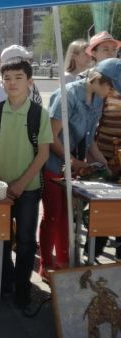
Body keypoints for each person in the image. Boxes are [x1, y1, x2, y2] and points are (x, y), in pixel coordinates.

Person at [0, 58, 52, 309]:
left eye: (18, 78)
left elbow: (43, 153)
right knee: (0, 239)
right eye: (7, 78)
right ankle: (5, 282)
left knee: (25, 241)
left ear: (30, 82)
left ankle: (23, 288)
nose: (12, 83)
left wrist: (21, 183)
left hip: (28, 190)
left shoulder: (38, 114)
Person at [39, 59, 119, 280]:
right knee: (53, 215)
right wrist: (73, 160)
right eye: (111, 87)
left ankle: (64, 261)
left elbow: (90, 140)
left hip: (74, 167)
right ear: (99, 80)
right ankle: (47, 264)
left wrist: (104, 165)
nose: (112, 93)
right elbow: (51, 136)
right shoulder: (67, 95)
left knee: (68, 215)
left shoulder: (98, 100)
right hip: (53, 164)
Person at [88, 32, 121, 259]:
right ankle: (92, 252)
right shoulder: (94, 85)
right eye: (105, 49)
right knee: (100, 206)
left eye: (113, 49)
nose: (111, 52)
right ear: (94, 54)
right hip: (101, 153)